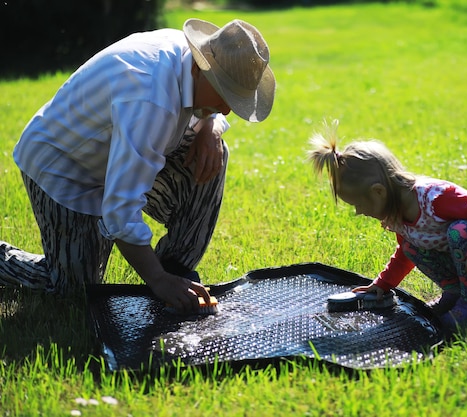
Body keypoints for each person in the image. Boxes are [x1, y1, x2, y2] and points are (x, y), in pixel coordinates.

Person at [0, 18, 275, 313]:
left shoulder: (191, 59)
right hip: (64, 165)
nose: (227, 110)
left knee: (213, 152)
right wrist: (154, 279)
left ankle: (176, 271)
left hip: (120, 151)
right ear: (199, 67)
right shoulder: (150, 97)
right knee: (76, 291)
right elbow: (119, 210)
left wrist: (210, 127)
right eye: (224, 95)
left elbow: (204, 111)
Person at [308, 120, 467, 335]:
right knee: (411, 246)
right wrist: (382, 284)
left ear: (378, 192)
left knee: (460, 231)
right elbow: (405, 255)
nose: (359, 212)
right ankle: (454, 293)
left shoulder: (435, 197)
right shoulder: (399, 215)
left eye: (358, 205)